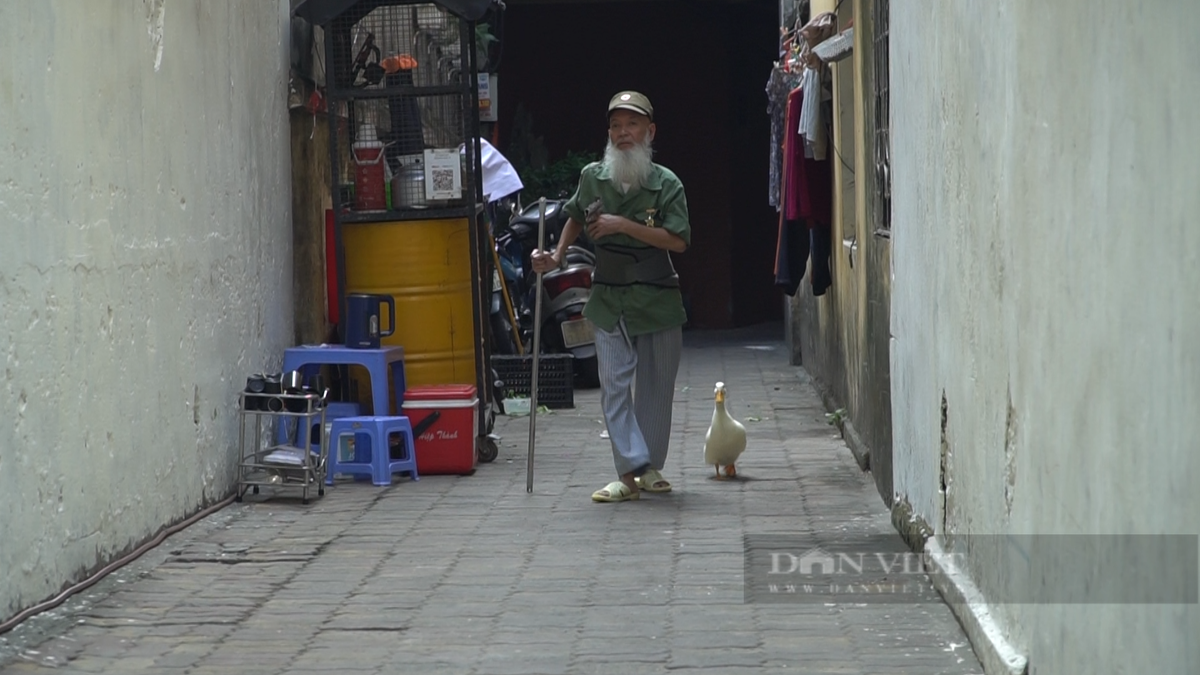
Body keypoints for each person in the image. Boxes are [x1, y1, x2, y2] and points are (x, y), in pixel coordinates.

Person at [530, 91, 691, 503]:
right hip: (607, 295)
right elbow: (574, 216)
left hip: (656, 296)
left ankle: (648, 469)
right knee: (613, 385)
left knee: (656, 387)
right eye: (616, 126)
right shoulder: (593, 177)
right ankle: (630, 472)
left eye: (632, 125)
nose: (623, 133)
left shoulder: (666, 184)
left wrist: (623, 225)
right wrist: (555, 256)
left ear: (649, 132)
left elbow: (677, 240)